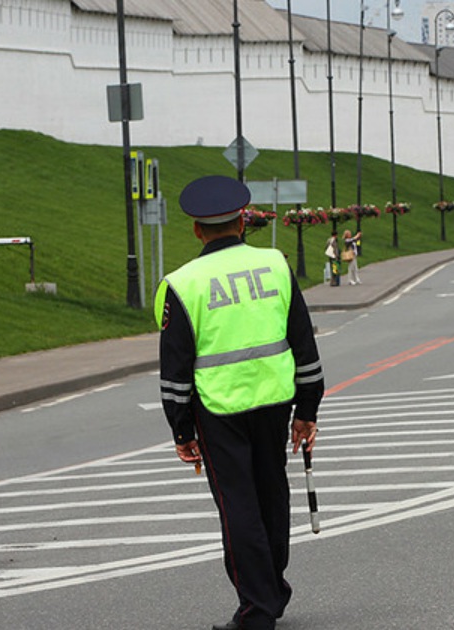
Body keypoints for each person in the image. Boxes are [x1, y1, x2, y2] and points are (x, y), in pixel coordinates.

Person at [155, 175, 325, 630]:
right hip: (274, 403)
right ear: (243, 222)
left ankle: (256, 609)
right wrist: (307, 411)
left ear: (196, 230)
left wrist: (181, 429)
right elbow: (304, 345)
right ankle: (273, 589)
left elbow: (175, 370)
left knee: (238, 508)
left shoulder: (183, 283)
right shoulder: (275, 265)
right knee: (272, 496)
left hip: (219, 410)